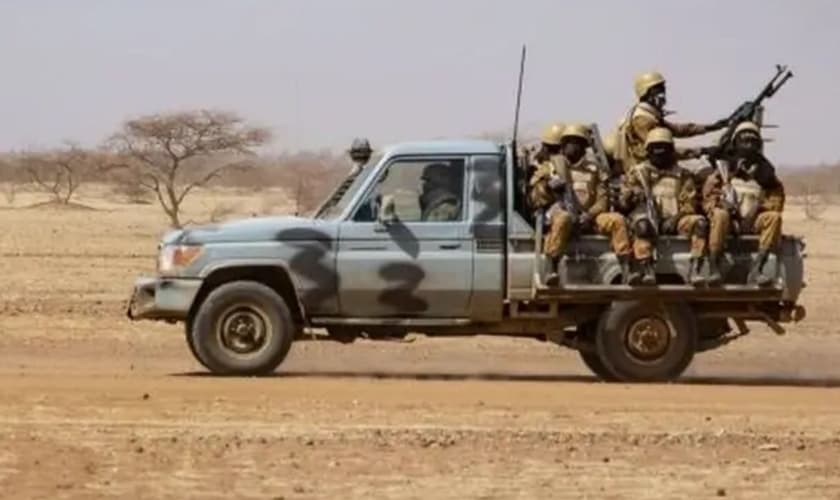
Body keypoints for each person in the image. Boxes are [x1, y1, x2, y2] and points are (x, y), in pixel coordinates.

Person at [530, 123, 633, 285]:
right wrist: (547, 187)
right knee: (563, 217)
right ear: (563, 145)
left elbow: (603, 199)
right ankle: (552, 268)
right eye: (569, 141)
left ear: (585, 147)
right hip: (562, 215)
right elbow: (535, 198)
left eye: (577, 142)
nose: (573, 146)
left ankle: (626, 268)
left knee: (617, 220)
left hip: (590, 217)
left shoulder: (594, 170)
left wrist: (589, 215)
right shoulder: (551, 167)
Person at [619, 127, 711, 286]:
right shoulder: (638, 173)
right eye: (655, 149)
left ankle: (696, 267)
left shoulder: (682, 174)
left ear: (671, 150)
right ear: (648, 150)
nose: (659, 153)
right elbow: (623, 203)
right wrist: (632, 196)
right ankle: (647, 269)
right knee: (642, 226)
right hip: (646, 218)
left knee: (700, 223)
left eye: (664, 148)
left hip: (675, 220)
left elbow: (690, 203)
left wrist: (675, 219)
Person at [703, 121, 784, 286]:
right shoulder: (724, 171)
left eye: (753, 142)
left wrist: (761, 207)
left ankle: (758, 268)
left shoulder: (766, 174)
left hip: (754, 221)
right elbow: (707, 197)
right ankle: (713, 266)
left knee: (774, 217)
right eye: (744, 141)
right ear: (736, 143)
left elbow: (777, 201)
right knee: (719, 215)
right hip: (729, 224)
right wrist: (722, 205)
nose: (748, 146)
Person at [612, 71, 728, 173]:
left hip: (656, 165)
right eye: (657, 90)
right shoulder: (642, 119)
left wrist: (712, 127)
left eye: (662, 90)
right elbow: (662, 151)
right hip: (645, 169)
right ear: (645, 93)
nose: (662, 94)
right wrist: (701, 151)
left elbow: (678, 130)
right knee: (701, 171)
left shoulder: (651, 115)